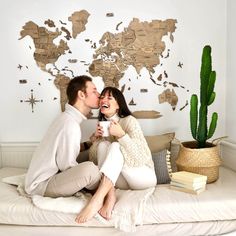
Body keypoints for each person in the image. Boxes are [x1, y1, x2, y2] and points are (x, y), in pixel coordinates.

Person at [25, 75, 114, 223]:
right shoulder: (69, 124)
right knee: (91, 169)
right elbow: (67, 166)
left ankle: (107, 191)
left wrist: (89, 143)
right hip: (42, 185)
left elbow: (64, 151)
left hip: (46, 179)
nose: (99, 95)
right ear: (81, 95)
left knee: (96, 161)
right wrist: (94, 176)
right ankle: (106, 194)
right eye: (94, 91)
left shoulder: (68, 119)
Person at [87, 87, 157, 220]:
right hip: (121, 180)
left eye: (109, 97)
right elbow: (95, 161)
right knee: (103, 145)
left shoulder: (130, 121)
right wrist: (96, 139)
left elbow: (140, 158)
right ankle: (110, 194)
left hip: (144, 177)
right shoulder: (103, 126)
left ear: (118, 105)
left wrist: (121, 135)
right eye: (102, 97)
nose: (103, 100)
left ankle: (99, 197)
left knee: (115, 145)